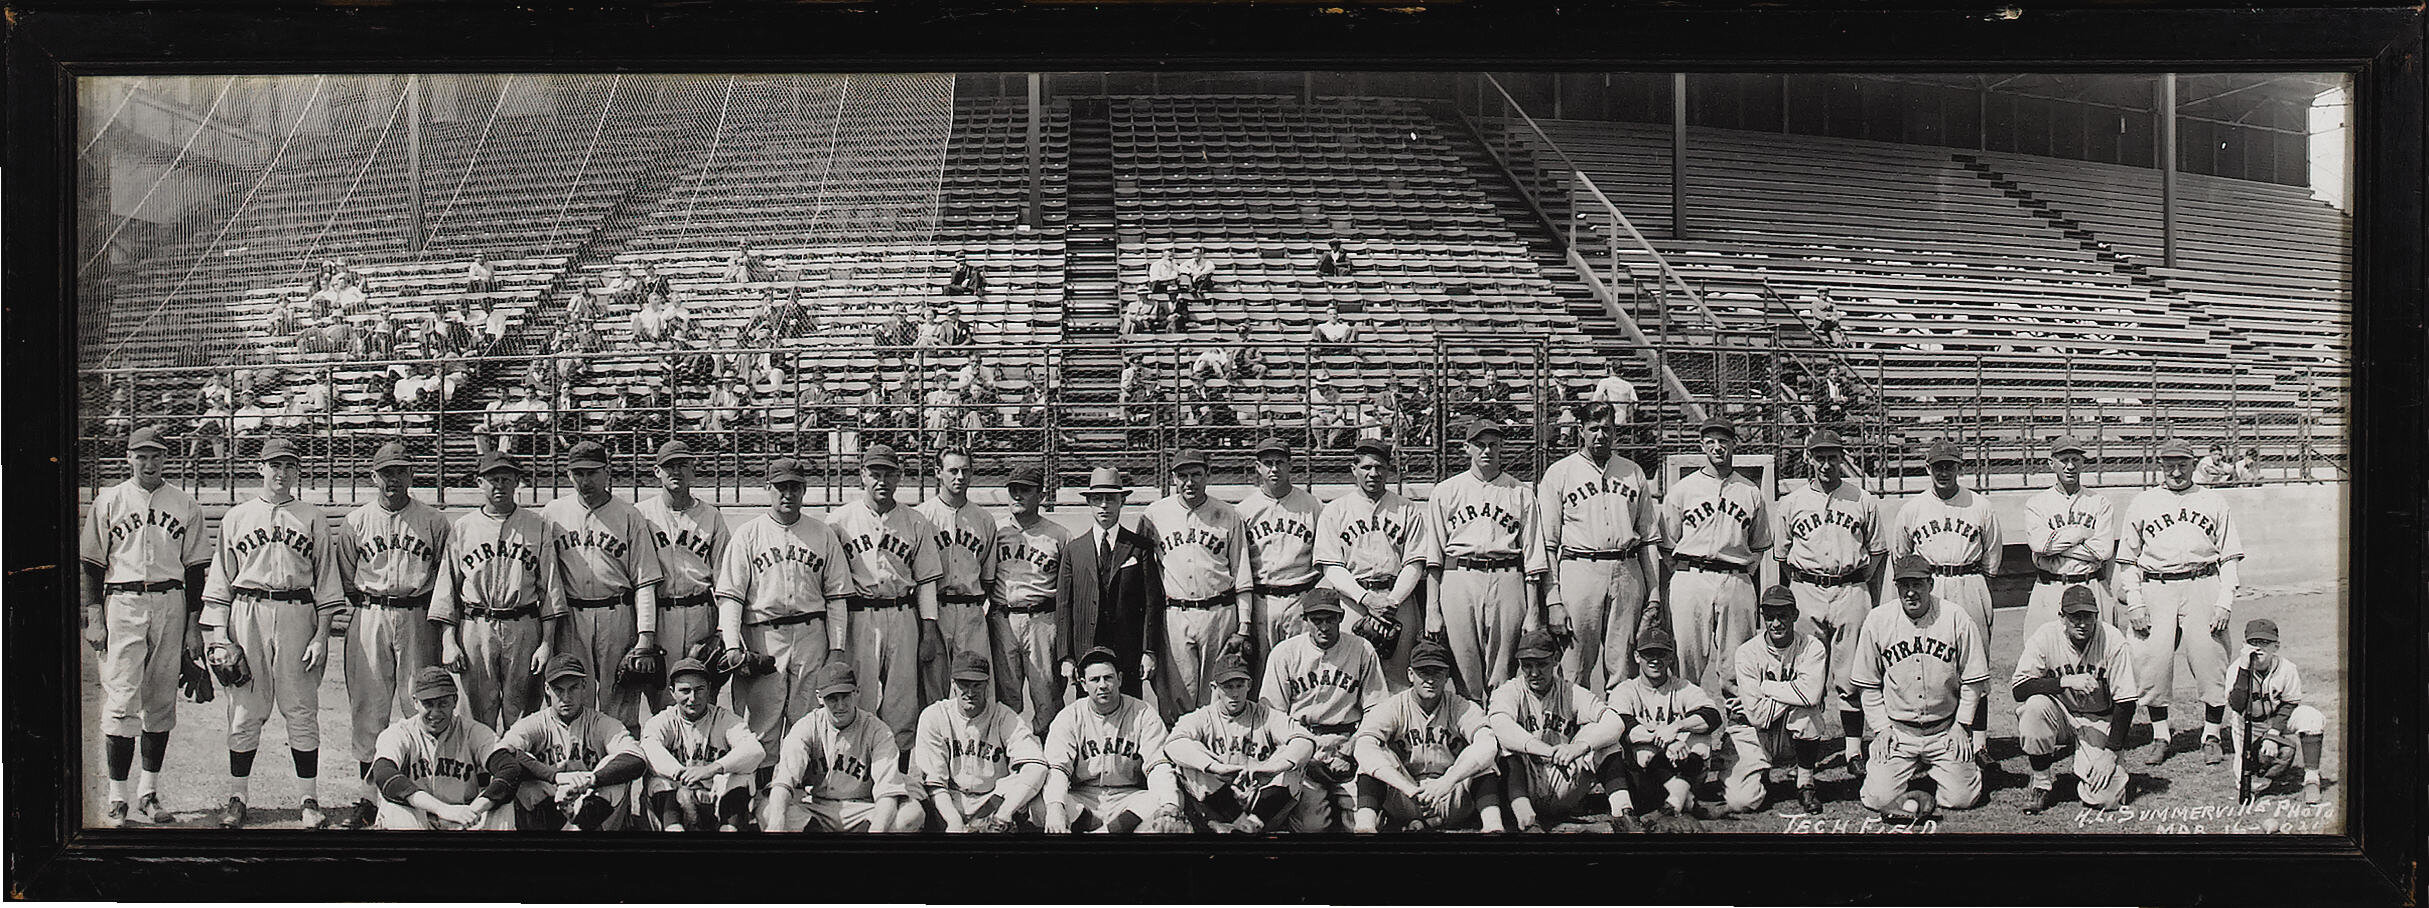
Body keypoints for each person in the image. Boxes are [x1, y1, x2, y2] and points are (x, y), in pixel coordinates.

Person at [199, 437, 348, 829]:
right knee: (245, 710)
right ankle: (238, 797)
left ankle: (309, 799)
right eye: (274, 465)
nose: (281, 473)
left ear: (297, 471)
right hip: (246, 612)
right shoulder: (236, 516)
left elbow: (327, 582)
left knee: (301, 710)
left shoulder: (312, 516)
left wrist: (321, 636)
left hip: (299, 611)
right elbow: (220, 581)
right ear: (260, 468)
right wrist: (220, 636)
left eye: (289, 466)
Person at [79, 427, 211, 827]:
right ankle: (117, 797)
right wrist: (94, 614)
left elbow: (195, 572)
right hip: (122, 601)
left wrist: (193, 627)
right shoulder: (109, 500)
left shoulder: (185, 503)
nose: (148, 463)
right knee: (120, 699)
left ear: (166, 459)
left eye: (155, 456)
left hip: (171, 601)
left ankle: (148, 794)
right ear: (129, 458)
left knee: (159, 701)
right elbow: (91, 563)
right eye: (141, 456)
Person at [332, 442, 454, 829]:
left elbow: (444, 576)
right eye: (386, 472)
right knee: (369, 708)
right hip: (370, 613)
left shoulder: (434, 521)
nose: (394, 479)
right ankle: (368, 796)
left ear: (411, 475)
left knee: (418, 703)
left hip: (418, 614)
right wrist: (368, 603)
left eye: (401, 471)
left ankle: (417, 791)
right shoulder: (355, 522)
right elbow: (348, 578)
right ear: (374, 477)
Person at [713, 457, 853, 792]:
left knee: (807, 720)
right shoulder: (749, 534)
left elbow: (836, 597)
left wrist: (836, 649)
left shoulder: (822, 533)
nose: (787, 493)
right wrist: (733, 644)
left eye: (794, 486)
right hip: (763, 636)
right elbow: (730, 595)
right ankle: (758, 796)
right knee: (761, 724)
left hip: (810, 634)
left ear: (804, 490)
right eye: (780, 487)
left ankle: (803, 795)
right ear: (768, 489)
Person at [2119, 437, 2246, 765]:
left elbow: (2230, 557)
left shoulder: (2213, 500)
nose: (2176, 471)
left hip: (2203, 583)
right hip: (2156, 586)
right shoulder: (2143, 502)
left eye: (2183, 464)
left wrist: (2225, 600)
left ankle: (2212, 734)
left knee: (2210, 659)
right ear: (2161, 465)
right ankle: (2160, 735)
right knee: (2153, 661)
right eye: (2170, 464)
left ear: (2193, 464)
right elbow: (2127, 560)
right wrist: (2134, 601)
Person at [1769, 428, 1885, 775]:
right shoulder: (1791, 502)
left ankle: (1852, 752)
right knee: (1808, 675)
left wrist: (1862, 585)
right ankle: (1808, 756)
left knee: (1852, 676)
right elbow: (1782, 556)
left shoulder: (1863, 499)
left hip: (1850, 588)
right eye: (1819, 456)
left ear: (1841, 459)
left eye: (1832, 456)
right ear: (1809, 458)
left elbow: (1877, 551)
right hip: (1807, 589)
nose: (1826, 463)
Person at [542, 440, 669, 733]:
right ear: (568, 474)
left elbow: (644, 581)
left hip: (618, 612)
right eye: (578, 473)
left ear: (607, 472)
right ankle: (579, 769)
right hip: (572, 615)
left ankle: (619, 771)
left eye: (592, 472)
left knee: (621, 702)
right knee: (573, 698)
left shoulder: (628, 514)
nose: (585, 480)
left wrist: (645, 638)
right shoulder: (553, 513)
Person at [827, 445, 949, 750]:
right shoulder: (839, 521)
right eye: (875, 474)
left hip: (902, 612)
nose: (882, 481)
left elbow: (926, 581)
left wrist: (929, 630)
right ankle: (858, 770)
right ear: (862, 477)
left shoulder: (916, 521)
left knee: (902, 699)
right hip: (859, 614)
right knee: (861, 695)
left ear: (899, 478)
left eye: (889, 474)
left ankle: (900, 778)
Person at [1889, 439, 2005, 757]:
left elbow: (1993, 555)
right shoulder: (1912, 509)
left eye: (1949, 465)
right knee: (1933, 661)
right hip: (1931, 582)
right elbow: (1901, 556)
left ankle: (1979, 742)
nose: (1944, 471)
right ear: (1928, 468)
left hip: (1969, 579)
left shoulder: (1980, 505)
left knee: (1975, 664)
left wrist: (1978, 584)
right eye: (1938, 466)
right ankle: (1940, 740)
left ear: (1959, 468)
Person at [1538, 402, 1662, 693]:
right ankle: (1571, 731)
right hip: (1580, 569)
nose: (1600, 435)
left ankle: (1621, 732)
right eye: (1593, 429)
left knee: (1624, 666)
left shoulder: (1632, 472)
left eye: (1606, 429)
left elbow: (1648, 539)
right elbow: (1547, 542)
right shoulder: (1560, 473)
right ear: (1581, 431)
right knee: (1573, 666)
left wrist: (1654, 594)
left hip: (1627, 569)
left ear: (1615, 431)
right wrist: (1553, 598)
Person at [433, 452, 561, 732]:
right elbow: (447, 590)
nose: (499, 485)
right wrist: (448, 641)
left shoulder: (536, 525)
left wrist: (547, 643)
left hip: (523, 626)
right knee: (476, 716)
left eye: (506, 478)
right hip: (476, 627)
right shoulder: (463, 527)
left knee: (523, 715)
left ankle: (518, 774)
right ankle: (480, 775)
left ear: (517, 482)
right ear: (480, 483)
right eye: (492, 479)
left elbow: (550, 590)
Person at [1851, 555, 1989, 815]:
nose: (1911, 592)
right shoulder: (1878, 620)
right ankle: (1914, 773)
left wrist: (1962, 725)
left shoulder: (1956, 617)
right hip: (1899, 733)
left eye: (1918, 584)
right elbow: (1867, 685)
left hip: (1944, 730)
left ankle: (1956, 770)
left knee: (1962, 799)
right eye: (1904, 585)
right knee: (1877, 800)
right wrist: (1881, 729)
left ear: (1931, 584)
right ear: (1896, 587)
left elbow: (1974, 680)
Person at [1423, 419, 1548, 700]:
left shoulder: (1521, 492)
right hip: (1459, 577)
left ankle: (1502, 732)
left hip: (1507, 577)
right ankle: (1476, 736)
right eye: (1479, 444)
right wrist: (1433, 610)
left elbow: (1533, 557)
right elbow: (1434, 558)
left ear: (1502, 447)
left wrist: (1533, 611)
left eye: (1493, 444)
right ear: (1466, 448)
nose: (1487, 450)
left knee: (1503, 671)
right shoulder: (1446, 491)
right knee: (1464, 671)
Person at [1657, 416, 1773, 694]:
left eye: (1723, 441)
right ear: (1702, 446)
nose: (1717, 448)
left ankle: (1737, 732)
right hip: (1692, 577)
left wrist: (1742, 574)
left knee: (1738, 664)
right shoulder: (1684, 489)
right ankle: (1687, 729)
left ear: (1733, 444)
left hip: (1735, 578)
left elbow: (1759, 545)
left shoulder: (1750, 490)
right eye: (1710, 442)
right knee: (1687, 661)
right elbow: (1666, 542)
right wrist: (1684, 572)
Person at [1139, 449, 1255, 716]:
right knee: (1177, 692)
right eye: (1182, 476)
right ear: (1172, 478)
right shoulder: (1155, 514)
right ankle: (1179, 750)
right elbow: (1145, 571)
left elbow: (1242, 573)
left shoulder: (1228, 514)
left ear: (1208, 476)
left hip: (1219, 613)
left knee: (1217, 692)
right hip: (1175, 614)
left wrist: (1245, 624)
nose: (1189, 482)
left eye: (1196, 475)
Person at [1258, 595, 1389, 832]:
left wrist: (1353, 747)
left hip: (1347, 743)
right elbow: (1273, 717)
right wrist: (1307, 756)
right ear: (1305, 620)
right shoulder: (1284, 653)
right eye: (1317, 620)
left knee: (1366, 823)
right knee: (1311, 827)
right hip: (1303, 742)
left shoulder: (1361, 648)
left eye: (1330, 619)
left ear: (1341, 618)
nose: (1324, 626)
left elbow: (1377, 708)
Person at [1351, 637, 1505, 833]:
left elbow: (1488, 745)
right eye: (1423, 672)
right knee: (1371, 759)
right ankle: (1365, 827)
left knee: (1483, 760)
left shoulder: (1461, 706)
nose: (1430, 679)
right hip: (1406, 795)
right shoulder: (1393, 706)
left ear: (1447, 675)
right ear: (1410, 674)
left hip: (1449, 794)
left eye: (1437, 672)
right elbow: (1363, 746)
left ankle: (1493, 827)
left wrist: (1446, 783)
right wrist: (1408, 788)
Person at [2013, 586, 2140, 814]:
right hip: (2059, 714)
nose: (2082, 623)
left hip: (2099, 719)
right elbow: (2019, 688)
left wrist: (2110, 754)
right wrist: (2064, 681)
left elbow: (2127, 702)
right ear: (2062, 617)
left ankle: (2094, 766)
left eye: (2088, 616)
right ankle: (2041, 782)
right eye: (2075, 617)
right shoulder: (2046, 635)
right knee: (2034, 707)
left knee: (2107, 799)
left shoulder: (2112, 640)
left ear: (2096, 616)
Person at [1487, 629, 1629, 831]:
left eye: (1542, 664)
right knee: (1503, 744)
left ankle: (1624, 813)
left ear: (1555, 660)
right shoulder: (1510, 691)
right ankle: (1528, 822)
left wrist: (1580, 746)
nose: (1534, 673)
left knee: (1604, 739)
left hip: (1563, 776)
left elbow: (1615, 722)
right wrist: (1545, 750)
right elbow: (1501, 726)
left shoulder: (1570, 691)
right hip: (1525, 781)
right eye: (1527, 666)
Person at [1315, 439, 1431, 685]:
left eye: (1379, 467)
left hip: (1397, 600)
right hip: (1352, 599)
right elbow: (1332, 567)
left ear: (1388, 470)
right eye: (1366, 467)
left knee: (1397, 678)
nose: (1374, 474)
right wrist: (1366, 599)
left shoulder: (1406, 509)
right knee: (1349, 676)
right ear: (1353, 469)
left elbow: (1415, 563)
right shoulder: (1335, 510)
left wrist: (1391, 602)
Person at [1163, 650, 1315, 832]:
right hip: (1221, 799)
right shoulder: (1203, 717)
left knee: (1290, 758)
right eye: (1228, 686)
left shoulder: (1265, 714)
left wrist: (1273, 768)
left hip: (1260, 799)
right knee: (1191, 754)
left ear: (1249, 685)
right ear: (1214, 688)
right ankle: (1243, 826)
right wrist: (1215, 766)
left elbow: (1305, 741)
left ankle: (1248, 826)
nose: (1234, 693)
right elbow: (1173, 744)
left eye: (1239, 685)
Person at [762, 663, 922, 832]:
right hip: (818, 808)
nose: (840, 705)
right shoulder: (807, 726)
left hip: (863, 808)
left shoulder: (877, 731)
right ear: (819, 698)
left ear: (856, 692)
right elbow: (784, 780)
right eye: (832, 698)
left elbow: (887, 792)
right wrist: (776, 824)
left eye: (845, 696)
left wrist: (877, 830)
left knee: (912, 814)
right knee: (768, 810)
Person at [496, 654, 649, 830]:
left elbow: (636, 759)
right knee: (525, 783)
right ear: (547, 689)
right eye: (558, 690)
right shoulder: (534, 724)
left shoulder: (601, 723)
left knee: (615, 775)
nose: (566, 697)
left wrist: (592, 778)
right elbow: (502, 753)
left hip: (592, 809)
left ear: (584, 686)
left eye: (573, 688)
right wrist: (555, 777)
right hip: (549, 809)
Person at [1041, 646, 1184, 833]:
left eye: (1108, 677)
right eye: (1094, 680)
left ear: (1120, 679)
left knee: (1167, 799)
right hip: (1083, 799)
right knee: (1041, 803)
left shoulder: (1143, 712)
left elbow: (1158, 765)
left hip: (1128, 798)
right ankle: (1113, 830)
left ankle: (1101, 833)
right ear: (1083, 684)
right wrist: (1055, 807)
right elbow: (1057, 768)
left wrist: (1168, 804)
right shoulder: (1069, 716)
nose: (1102, 685)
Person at [1591, 630, 1722, 823]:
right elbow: (1625, 726)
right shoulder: (1626, 689)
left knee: (1700, 736)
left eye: (1661, 654)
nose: (1655, 660)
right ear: (1637, 657)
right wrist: (1667, 742)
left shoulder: (1683, 687)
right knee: (1616, 743)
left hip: (1681, 772)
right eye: (1648, 654)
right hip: (1641, 779)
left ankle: (1674, 804)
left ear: (1671, 657)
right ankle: (1628, 812)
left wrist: (1677, 727)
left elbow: (1712, 716)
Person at [1056, 467, 1163, 701]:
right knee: (1088, 713)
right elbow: (1064, 606)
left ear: (1122, 501)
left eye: (1111, 498)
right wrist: (1066, 656)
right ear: (1089, 503)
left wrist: (1149, 651)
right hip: (1086, 650)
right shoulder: (1074, 549)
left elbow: (1152, 603)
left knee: (1129, 711)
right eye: (1097, 499)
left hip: (1128, 651)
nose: (1104, 505)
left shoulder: (1139, 547)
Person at [1721, 587, 1828, 817]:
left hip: (1789, 730)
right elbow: (1757, 716)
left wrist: (1765, 687)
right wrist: (1795, 692)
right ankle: (1759, 775)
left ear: (1795, 615)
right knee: (1741, 801)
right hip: (1752, 732)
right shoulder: (1747, 652)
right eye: (1770, 616)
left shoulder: (1812, 647)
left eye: (1783, 615)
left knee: (1807, 712)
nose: (1776, 623)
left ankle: (1805, 783)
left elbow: (1811, 696)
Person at [363, 667, 514, 830]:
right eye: (427, 704)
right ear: (415, 702)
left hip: (465, 817)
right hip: (418, 817)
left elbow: (509, 769)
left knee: (503, 808)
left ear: (455, 701)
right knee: (397, 810)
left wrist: (475, 808)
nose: (435, 713)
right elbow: (384, 773)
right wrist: (443, 809)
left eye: (443, 704)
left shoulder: (474, 732)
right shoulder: (399, 733)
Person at [915, 652, 1049, 831]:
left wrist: (1004, 813)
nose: (970, 692)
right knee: (915, 797)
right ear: (953, 684)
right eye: (964, 684)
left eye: (977, 684)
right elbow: (934, 781)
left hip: (992, 802)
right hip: (948, 800)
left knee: (1036, 791)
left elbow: (1036, 765)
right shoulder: (935, 715)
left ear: (987, 684)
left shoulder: (1003, 716)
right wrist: (953, 821)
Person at [990, 464, 1072, 734]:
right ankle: (1015, 757)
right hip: (1002, 617)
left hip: (1042, 620)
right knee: (1006, 697)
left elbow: (1068, 586)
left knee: (1047, 696)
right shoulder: (995, 530)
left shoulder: (1059, 534)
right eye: (1013, 490)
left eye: (1025, 490)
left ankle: (1051, 758)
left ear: (1041, 494)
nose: (1017, 496)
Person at [638, 656, 763, 831]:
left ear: (709, 689)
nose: (692, 698)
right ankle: (673, 829)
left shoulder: (724, 719)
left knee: (742, 776)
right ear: (673, 692)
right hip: (676, 798)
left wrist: (711, 769)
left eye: (699, 689)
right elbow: (650, 748)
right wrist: (681, 773)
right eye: (685, 691)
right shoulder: (663, 720)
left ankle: (728, 829)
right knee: (659, 780)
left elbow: (755, 751)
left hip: (715, 799)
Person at [917, 448, 1000, 705]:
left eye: (965, 470)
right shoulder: (920, 516)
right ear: (937, 473)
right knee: (934, 686)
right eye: (953, 470)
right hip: (935, 610)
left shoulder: (984, 519)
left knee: (976, 684)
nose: (960, 477)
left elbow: (987, 577)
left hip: (971, 610)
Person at [2022, 436, 2118, 634]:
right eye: (2064, 460)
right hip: (2050, 587)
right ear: (2051, 463)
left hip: (2091, 583)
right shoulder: (2037, 503)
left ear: (2083, 462)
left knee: (2100, 652)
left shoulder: (2099, 503)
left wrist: (2056, 549)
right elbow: (2040, 546)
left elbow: (2103, 550)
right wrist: (2081, 533)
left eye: (2075, 459)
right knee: (2045, 652)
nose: (2070, 466)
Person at [2226, 619, 2327, 805]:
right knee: (2247, 782)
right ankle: (2267, 770)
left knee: (2312, 718)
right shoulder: (2235, 670)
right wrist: (2244, 669)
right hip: (2247, 723)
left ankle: (2312, 779)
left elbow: (2290, 703)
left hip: (2278, 719)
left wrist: (2273, 734)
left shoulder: (2287, 669)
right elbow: (2238, 706)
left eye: (2265, 643)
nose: (2258, 648)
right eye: (2253, 642)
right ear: (2244, 645)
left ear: (2276, 646)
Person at [1237, 438, 1324, 653]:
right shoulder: (1244, 510)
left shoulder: (1313, 505)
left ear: (1290, 465)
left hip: (1300, 597)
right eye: (1268, 463)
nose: (1274, 469)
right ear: (1258, 467)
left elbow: (1325, 557)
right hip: (1262, 600)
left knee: (1300, 665)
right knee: (1262, 673)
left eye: (1280, 462)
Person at [1588, 360, 1639, 426]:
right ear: (1622, 372)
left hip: (1606, 422)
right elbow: (1635, 404)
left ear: (1611, 369)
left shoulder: (1604, 382)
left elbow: (1596, 401)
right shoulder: (1628, 385)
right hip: (1623, 422)